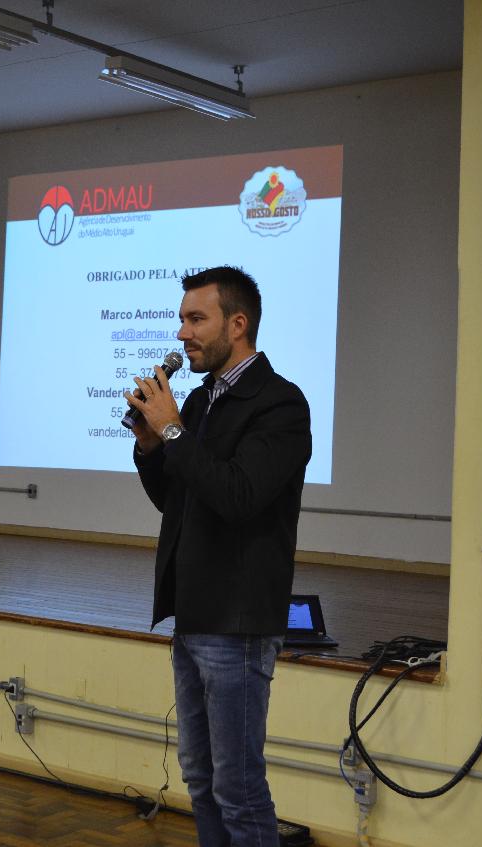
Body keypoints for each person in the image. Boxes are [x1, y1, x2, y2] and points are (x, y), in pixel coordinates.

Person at [124, 266, 312, 847]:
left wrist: (174, 433)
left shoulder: (280, 404)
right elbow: (177, 502)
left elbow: (238, 497)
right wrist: (152, 447)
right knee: (201, 780)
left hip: (237, 621)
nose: (183, 333)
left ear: (238, 324)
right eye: (182, 319)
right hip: (194, 613)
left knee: (238, 787)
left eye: (196, 319)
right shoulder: (201, 400)